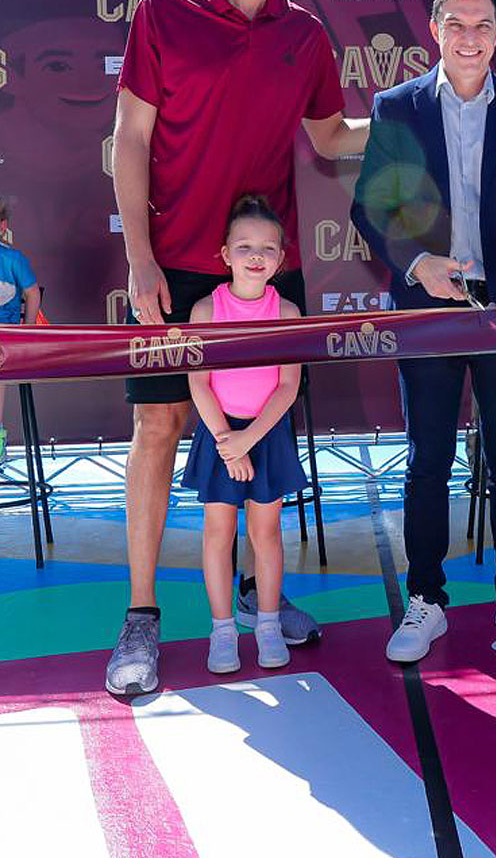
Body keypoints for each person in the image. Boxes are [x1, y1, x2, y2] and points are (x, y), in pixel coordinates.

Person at [106, 0, 370, 697]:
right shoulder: (164, 11)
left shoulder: (304, 33)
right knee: (159, 432)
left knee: (265, 437)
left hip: (264, 280)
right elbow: (134, 140)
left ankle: (263, 599)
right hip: (173, 269)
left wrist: (418, 109)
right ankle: (141, 620)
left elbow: (332, 140)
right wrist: (141, 258)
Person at [351, 0, 496, 663]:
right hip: (426, 311)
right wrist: (417, 264)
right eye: (456, 25)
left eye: (482, 26)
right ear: (435, 31)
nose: (469, 39)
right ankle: (425, 600)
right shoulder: (397, 107)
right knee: (427, 461)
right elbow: (372, 208)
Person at [183, 196, 305, 673]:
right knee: (218, 534)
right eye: (245, 246)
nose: (256, 256)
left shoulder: (288, 312)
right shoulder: (205, 311)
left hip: (265, 435)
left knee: (266, 532)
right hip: (220, 435)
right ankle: (222, 632)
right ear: (225, 254)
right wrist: (225, 440)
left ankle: (269, 624)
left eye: (267, 248)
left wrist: (248, 440)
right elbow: (199, 382)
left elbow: (288, 385)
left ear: (280, 258)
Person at [0, 199, 42, 460]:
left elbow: (32, 294)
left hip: (6, 335)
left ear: (2, 227)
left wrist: (28, 332)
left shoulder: (12, 257)